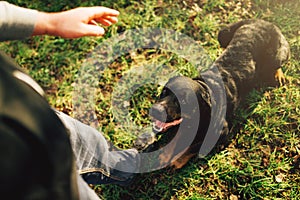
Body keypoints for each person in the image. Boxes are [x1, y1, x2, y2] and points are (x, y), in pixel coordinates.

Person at [0, 2, 147, 199]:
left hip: (36, 116)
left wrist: (49, 22)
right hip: (19, 181)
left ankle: (125, 167)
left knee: (86, 142)